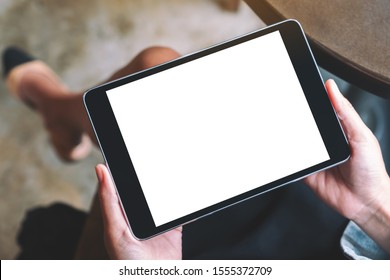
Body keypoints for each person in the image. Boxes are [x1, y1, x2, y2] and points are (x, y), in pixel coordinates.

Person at [3, 46, 390, 260]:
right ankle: (59, 112)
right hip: (359, 220)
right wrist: (375, 207)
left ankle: (54, 109)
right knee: (157, 77)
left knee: (150, 90)